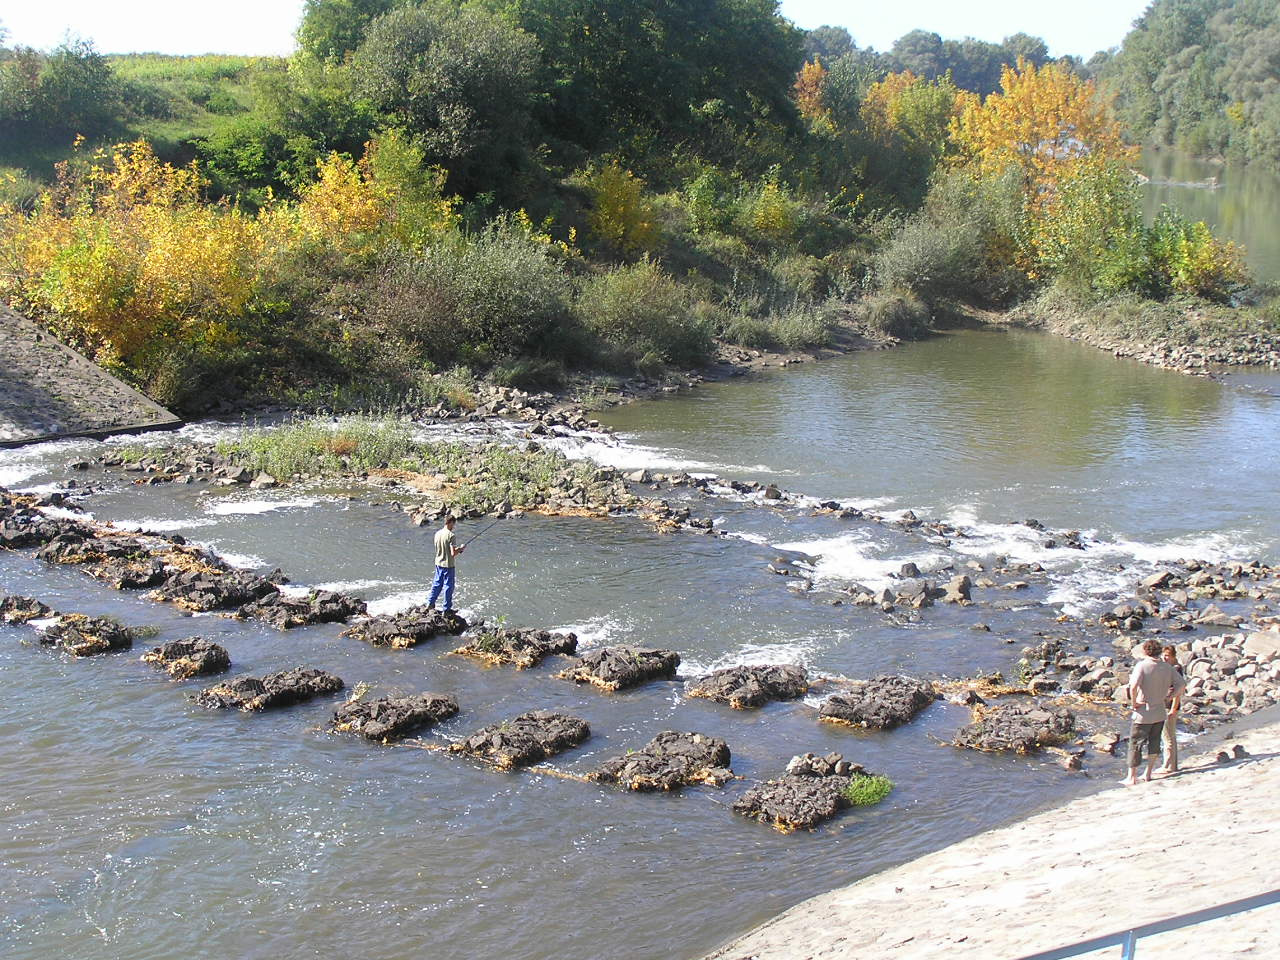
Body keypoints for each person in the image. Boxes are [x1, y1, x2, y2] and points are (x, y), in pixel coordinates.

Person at [1121, 638, 1186, 786]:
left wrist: (1134, 702)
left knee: (1135, 743)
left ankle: (1132, 777)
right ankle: (1148, 773)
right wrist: (1170, 696)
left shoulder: (1142, 666)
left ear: (1145, 651)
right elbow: (1182, 684)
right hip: (1160, 711)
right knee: (1154, 742)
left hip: (1143, 712)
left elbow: (1134, 686)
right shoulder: (1167, 667)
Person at [426, 515, 465, 613]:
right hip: (448, 565)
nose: (454, 526)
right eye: (453, 524)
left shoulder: (437, 533)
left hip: (438, 562)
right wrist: (461, 549)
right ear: (450, 522)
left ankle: (430, 603)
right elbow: (453, 553)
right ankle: (446, 609)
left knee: (437, 583)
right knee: (448, 586)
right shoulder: (451, 535)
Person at [1159, 644, 1184, 774]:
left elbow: (1178, 690)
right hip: (1166, 705)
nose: (1165, 657)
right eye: (1164, 655)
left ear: (1174, 656)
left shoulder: (1176, 669)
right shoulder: (1170, 668)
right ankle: (1172, 765)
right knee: (1169, 736)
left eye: (1168, 655)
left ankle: (1168, 765)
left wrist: (1173, 708)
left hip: (1170, 707)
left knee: (1167, 737)